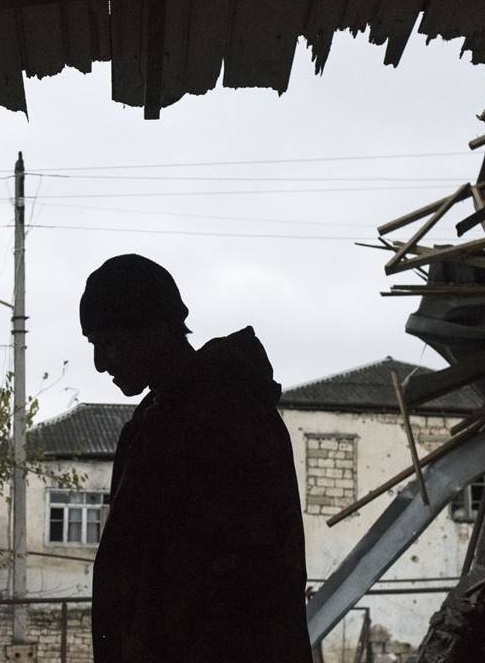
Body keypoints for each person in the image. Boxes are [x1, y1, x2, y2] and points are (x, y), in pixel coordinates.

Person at [80, 253, 313, 663]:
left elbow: (240, 593)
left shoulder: (220, 420)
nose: (100, 364)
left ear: (153, 329)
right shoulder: (164, 419)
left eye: (108, 343)